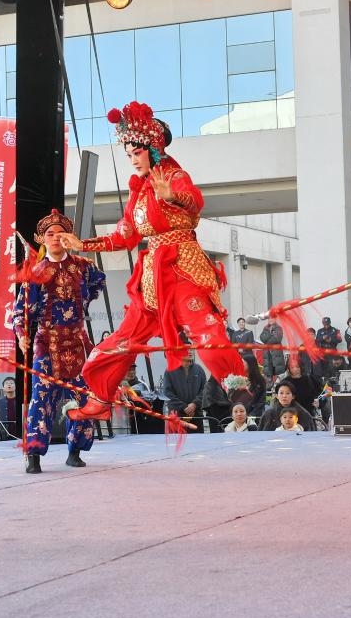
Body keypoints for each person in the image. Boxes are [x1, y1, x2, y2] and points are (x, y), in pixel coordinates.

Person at [59, 101, 245, 423]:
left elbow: (195, 205)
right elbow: (126, 235)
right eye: (129, 155)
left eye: (136, 153)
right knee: (123, 340)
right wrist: (83, 244)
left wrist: (173, 197)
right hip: (151, 278)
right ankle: (100, 398)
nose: (132, 160)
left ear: (153, 148)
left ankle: (235, 383)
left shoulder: (173, 175)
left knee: (202, 326)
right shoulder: (139, 191)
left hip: (182, 267)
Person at [13, 209, 105, 472]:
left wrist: (84, 301)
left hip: (77, 341)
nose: (55, 238)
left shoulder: (84, 267)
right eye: (49, 234)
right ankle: (34, 456)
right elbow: (21, 311)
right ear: (41, 239)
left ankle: (75, 450)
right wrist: (22, 336)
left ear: (69, 238)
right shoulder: (36, 272)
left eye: (60, 233)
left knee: (85, 398)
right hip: (46, 342)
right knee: (41, 399)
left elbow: (99, 282)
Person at [163, 353, 208, 434]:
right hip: (177, 415)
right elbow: (167, 393)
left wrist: (194, 404)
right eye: (186, 350)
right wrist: (184, 407)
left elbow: (205, 390)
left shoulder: (199, 369)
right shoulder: (169, 370)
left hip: (196, 414)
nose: (190, 352)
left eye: (191, 349)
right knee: (178, 443)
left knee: (198, 442)